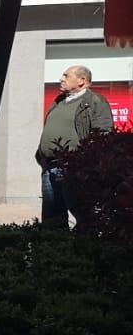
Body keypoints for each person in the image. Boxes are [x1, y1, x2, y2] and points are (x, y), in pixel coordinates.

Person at [37, 64, 115, 228]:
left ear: (81, 80)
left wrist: (85, 164)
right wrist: (41, 156)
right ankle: (54, 244)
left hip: (73, 169)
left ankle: (86, 244)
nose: (61, 79)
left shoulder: (95, 102)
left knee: (83, 216)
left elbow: (103, 134)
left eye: (66, 76)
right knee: (52, 220)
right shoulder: (59, 101)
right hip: (49, 167)